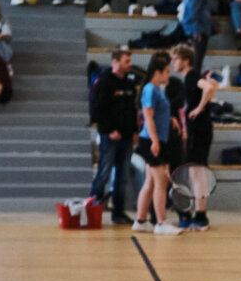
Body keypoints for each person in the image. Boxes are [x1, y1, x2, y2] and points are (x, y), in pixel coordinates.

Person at [168, 44, 217, 231]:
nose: (173, 63)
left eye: (176, 59)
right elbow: (213, 86)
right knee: (196, 172)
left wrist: (199, 108)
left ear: (186, 60)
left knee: (197, 172)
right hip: (198, 128)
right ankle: (200, 214)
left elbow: (209, 88)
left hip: (199, 128)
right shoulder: (190, 77)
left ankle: (201, 216)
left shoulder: (191, 76)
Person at [133, 51, 182, 236]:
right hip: (151, 141)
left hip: (155, 139)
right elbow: (148, 117)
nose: (169, 75)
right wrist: (155, 141)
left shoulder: (156, 90)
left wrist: (170, 119)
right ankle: (161, 223)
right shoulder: (150, 89)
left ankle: (140, 220)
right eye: (167, 71)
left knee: (151, 182)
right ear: (158, 72)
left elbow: (158, 114)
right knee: (161, 182)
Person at [90, 48, 139, 223]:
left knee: (122, 176)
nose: (130, 64)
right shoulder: (104, 82)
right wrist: (110, 130)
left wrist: (135, 131)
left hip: (126, 137)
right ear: (115, 62)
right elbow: (96, 110)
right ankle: (92, 210)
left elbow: (132, 110)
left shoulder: (129, 83)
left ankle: (118, 213)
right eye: (126, 61)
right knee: (104, 173)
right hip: (110, 137)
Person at [175, 0, 211, 72]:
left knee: (195, 62)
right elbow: (192, 11)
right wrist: (196, 30)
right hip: (199, 30)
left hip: (194, 29)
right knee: (196, 63)